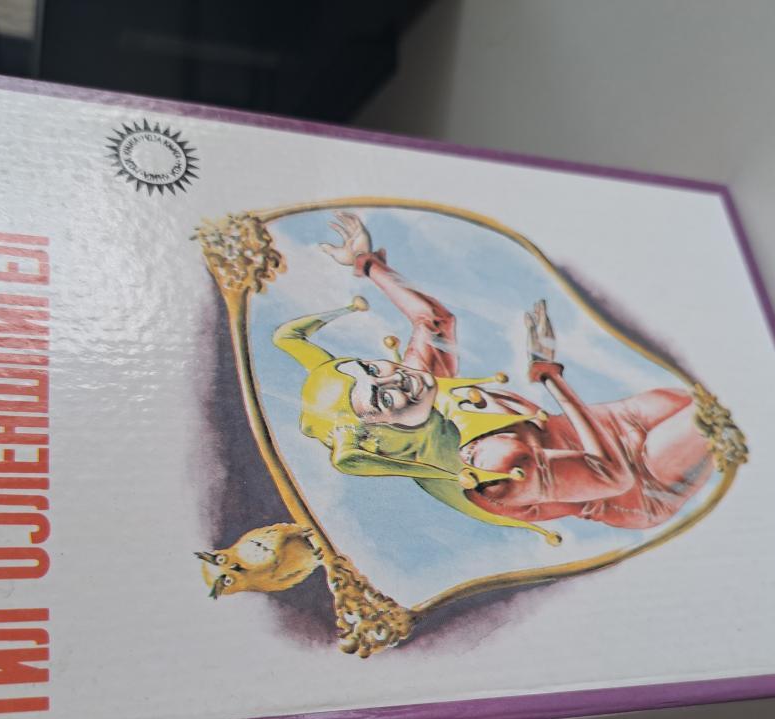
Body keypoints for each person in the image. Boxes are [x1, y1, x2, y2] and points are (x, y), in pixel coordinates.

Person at [272, 211, 722, 545]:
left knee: (712, 389)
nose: (395, 382)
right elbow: (610, 477)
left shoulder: (425, 395)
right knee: (724, 414)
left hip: (621, 422)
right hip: (642, 479)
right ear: (382, 431)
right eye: (380, 400)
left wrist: (367, 264)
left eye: (372, 369)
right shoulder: (489, 469)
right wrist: (550, 376)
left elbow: (434, 322)